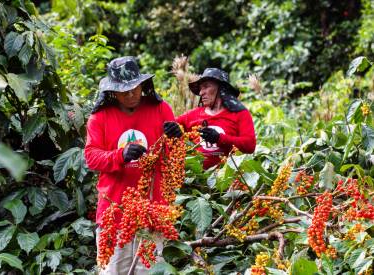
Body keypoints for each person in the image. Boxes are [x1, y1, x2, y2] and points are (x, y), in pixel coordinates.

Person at [84, 56, 180, 274]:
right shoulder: (99, 118)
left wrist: (176, 137)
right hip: (114, 214)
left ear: (142, 84)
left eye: (134, 88)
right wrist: (121, 155)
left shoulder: (160, 109)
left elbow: (172, 156)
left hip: (152, 211)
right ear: (113, 92)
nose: (130, 94)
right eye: (124, 90)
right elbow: (91, 157)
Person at [167, 68, 256, 169]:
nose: (201, 93)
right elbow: (169, 127)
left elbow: (250, 145)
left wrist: (219, 138)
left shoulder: (240, 113)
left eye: (206, 87)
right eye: (200, 88)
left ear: (221, 89)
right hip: (195, 177)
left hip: (228, 177)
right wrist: (173, 130)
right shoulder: (192, 115)